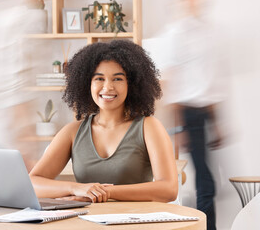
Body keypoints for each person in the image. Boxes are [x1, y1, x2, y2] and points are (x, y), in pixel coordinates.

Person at [29, 40, 178, 203]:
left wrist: (106, 191)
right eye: (99, 79)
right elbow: (33, 182)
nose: (108, 87)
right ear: (87, 84)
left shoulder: (148, 127)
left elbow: (169, 189)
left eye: (118, 79)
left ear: (132, 84)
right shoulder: (72, 132)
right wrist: (76, 188)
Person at [159, 0, 226, 229]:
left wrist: (217, 124)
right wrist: (178, 128)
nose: (194, 0)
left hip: (205, 111)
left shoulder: (208, 31)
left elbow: (211, 80)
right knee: (206, 183)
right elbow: (170, 82)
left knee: (210, 181)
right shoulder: (176, 33)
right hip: (188, 113)